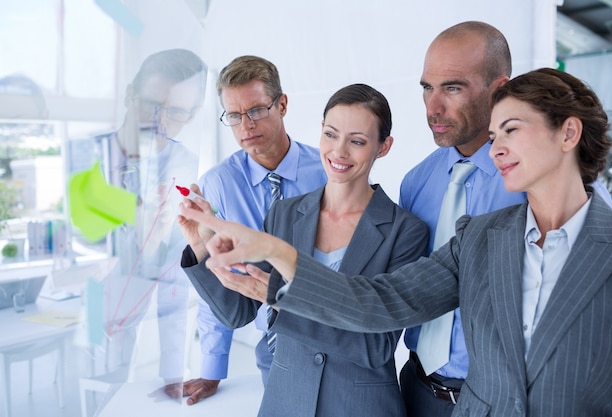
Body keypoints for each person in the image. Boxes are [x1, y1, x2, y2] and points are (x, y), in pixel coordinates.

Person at [182, 68, 612, 417]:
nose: (494, 150)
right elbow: (376, 302)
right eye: (493, 137)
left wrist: (276, 283)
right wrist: (234, 251)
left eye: (510, 131)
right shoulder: (479, 238)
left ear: (568, 133)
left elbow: (375, 341)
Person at [182, 83, 429, 416]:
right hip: (285, 400)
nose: (339, 152)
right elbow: (238, 312)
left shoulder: (405, 230)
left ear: (383, 147)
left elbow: (375, 347)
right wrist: (201, 245)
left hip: (360, 406)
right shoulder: (285, 214)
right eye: (330, 134)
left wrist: (282, 301)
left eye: (357, 141)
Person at [179, 55, 327, 405]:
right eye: (234, 115)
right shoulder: (217, 185)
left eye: (257, 110)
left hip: (331, 331)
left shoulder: (326, 170)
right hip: (273, 348)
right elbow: (216, 276)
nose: (245, 125)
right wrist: (212, 367)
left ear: (282, 105)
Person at [397, 21, 525, 416]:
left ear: (500, 89)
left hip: (501, 401)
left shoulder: (536, 180)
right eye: (426, 88)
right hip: (416, 390)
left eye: (452, 87)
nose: (433, 108)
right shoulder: (417, 182)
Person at [91, 48, 208, 396]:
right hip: (99, 307)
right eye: (150, 106)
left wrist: (173, 375)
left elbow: (180, 270)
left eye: (175, 112)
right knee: (102, 383)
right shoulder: (91, 159)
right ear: (129, 95)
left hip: (158, 305)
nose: (160, 121)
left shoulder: (187, 165)